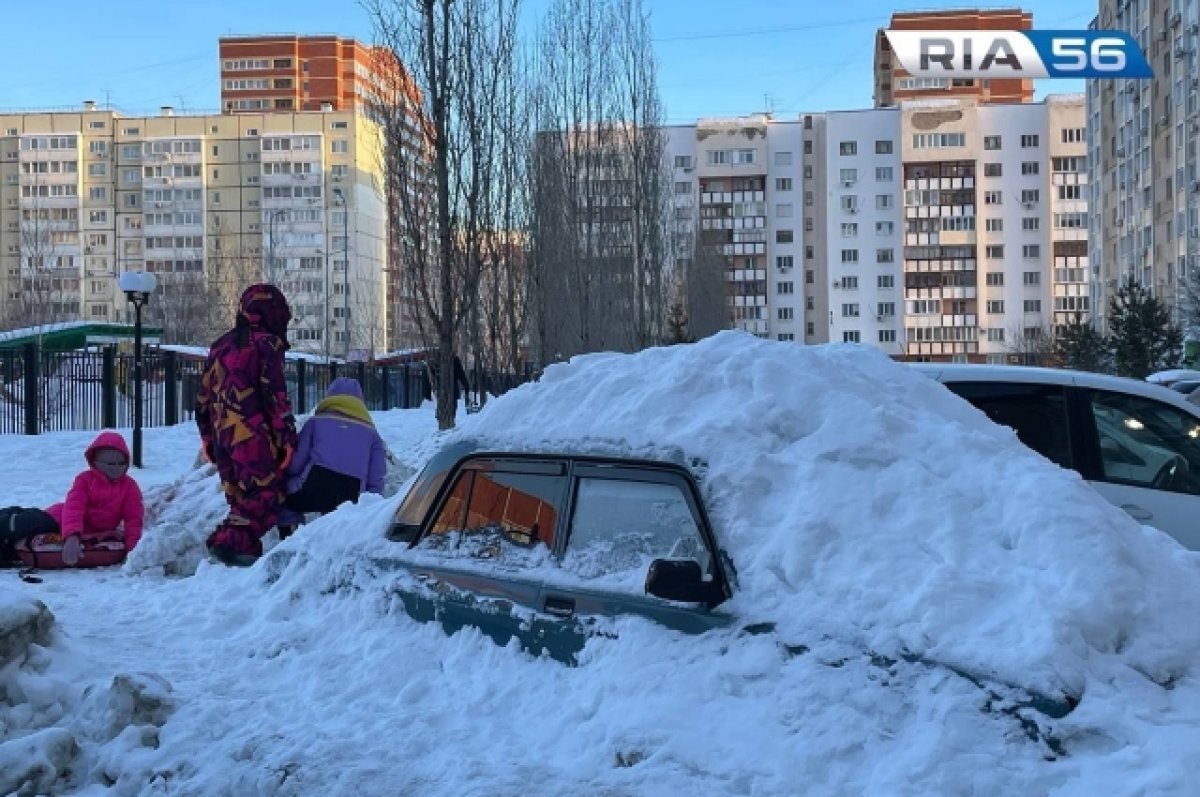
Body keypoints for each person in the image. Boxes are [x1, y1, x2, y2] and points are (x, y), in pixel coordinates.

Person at [196, 283, 298, 567]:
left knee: (240, 495)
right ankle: (229, 541)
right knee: (268, 493)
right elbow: (275, 396)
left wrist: (207, 437)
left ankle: (244, 551)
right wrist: (287, 438)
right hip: (253, 435)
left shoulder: (220, 345)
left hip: (222, 436)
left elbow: (203, 396)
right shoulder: (267, 344)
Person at [0, 430, 143, 572]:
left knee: (21, 542)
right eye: (110, 464)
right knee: (22, 523)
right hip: (59, 517)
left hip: (89, 531)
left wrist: (133, 553)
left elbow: (134, 521)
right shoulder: (84, 479)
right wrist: (72, 536)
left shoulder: (130, 487)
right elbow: (74, 508)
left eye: (121, 463)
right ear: (96, 462)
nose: (116, 468)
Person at [276, 376, 388, 538]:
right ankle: (334, 537)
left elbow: (296, 463)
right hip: (352, 495)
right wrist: (368, 505)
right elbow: (376, 478)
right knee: (337, 509)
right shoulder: (372, 434)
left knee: (282, 495)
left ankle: (291, 532)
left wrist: (285, 477)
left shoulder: (315, 423)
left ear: (329, 397)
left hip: (312, 487)